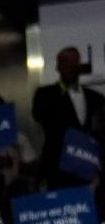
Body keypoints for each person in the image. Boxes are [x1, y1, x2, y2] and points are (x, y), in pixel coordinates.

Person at [32, 47, 105, 186]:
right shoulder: (45, 95)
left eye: (74, 63)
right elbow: (38, 115)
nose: (70, 67)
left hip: (89, 164)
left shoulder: (96, 98)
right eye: (65, 62)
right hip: (58, 165)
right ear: (57, 66)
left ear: (79, 65)